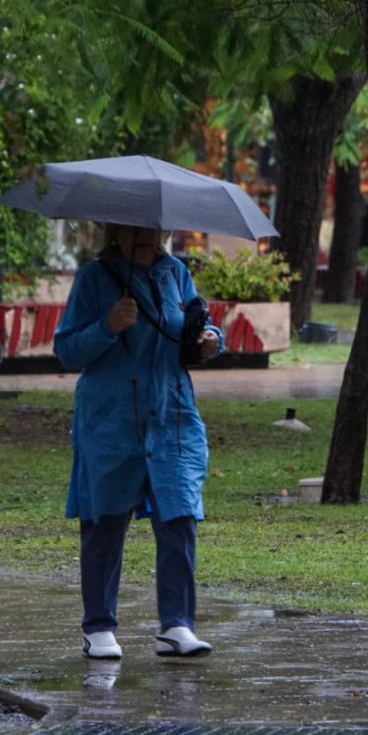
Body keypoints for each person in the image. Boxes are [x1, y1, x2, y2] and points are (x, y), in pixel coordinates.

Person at [53, 223, 223, 660]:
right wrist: (108, 326)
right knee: (105, 520)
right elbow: (67, 351)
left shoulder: (176, 274)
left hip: (172, 417)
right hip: (111, 421)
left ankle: (177, 625)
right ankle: (99, 627)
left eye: (152, 227)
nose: (144, 236)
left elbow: (195, 323)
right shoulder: (94, 278)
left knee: (180, 516)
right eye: (133, 228)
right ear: (115, 230)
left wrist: (210, 340)